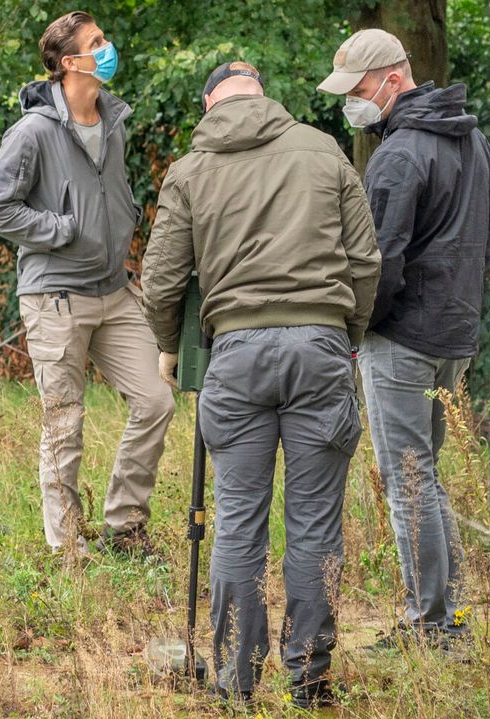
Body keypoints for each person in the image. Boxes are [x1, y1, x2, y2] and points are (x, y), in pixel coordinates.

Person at [142, 61, 379, 707]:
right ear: (263, 97)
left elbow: (162, 278)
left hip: (237, 354)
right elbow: (364, 259)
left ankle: (236, 682)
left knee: (240, 522)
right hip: (322, 344)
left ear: (210, 102)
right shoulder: (324, 151)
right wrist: (348, 333)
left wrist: (170, 346)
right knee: (315, 526)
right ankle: (310, 680)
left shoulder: (191, 169)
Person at [318, 28, 490, 650]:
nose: (354, 103)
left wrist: (355, 327)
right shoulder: (472, 138)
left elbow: (378, 262)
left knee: (408, 483)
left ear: (393, 80)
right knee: (428, 476)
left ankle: (429, 626)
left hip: (401, 338)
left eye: (360, 90)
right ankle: (447, 616)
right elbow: (488, 235)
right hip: (454, 332)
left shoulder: (398, 155)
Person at [0, 11, 175, 560]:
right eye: (97, 44)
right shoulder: (32, 131)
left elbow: (110, 193)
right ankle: (67, 547)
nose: (108, 48)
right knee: (64, 420)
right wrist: (61, 229)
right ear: (70, 62)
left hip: (114, 290)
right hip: (56, 297)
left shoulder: (113, 120)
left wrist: (123, 220)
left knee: (156, 399)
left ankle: (124, 524)